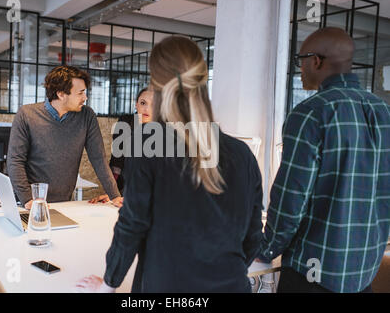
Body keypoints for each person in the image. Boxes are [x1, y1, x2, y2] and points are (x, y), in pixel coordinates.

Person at [75, 36, 264, 293]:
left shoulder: (148, 146)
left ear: (157, 85)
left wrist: (108, 285)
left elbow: (131, 227)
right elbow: (253, 238)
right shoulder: (242, 153)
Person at [257, 27, 390, 293]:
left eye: (301, 60)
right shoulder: (384, 111)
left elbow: (290, 200)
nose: (300, 69)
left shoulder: (310, 113)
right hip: (363, 275)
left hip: (312, 276)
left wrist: (266, 249)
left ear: (316, 60)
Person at [7, 65, 122, 209]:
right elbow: (15, 161)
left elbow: (98, 158)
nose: (85, 98)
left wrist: (115, 195)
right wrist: (27, 199)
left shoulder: (87, 115)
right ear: (61, 94)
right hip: (28, 203)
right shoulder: (27, 114)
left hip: (64, 202)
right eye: (80, 93)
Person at [90, 87, 154, 203]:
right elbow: (117, 162)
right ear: (136, 104)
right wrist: (113, 194)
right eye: (143, 103)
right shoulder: (126, 123)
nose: (147, 108)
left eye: (153, 105)